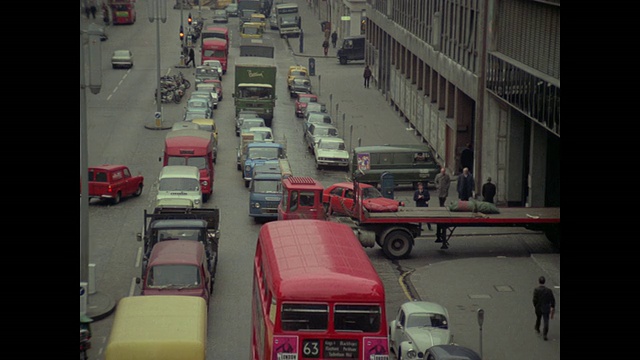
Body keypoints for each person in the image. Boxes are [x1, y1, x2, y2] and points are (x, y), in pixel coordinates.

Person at [532, 276, 555, 341]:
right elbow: (552, 299)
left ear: (539, 281)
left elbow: (534, 299)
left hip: (538, 307)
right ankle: (545, 334)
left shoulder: (536, 290)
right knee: (546, 320)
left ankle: (537, 328)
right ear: (544, 282)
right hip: (546, 307)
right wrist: (552, 306)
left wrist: (535, 305)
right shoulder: (549, 291)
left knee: (538, 318)